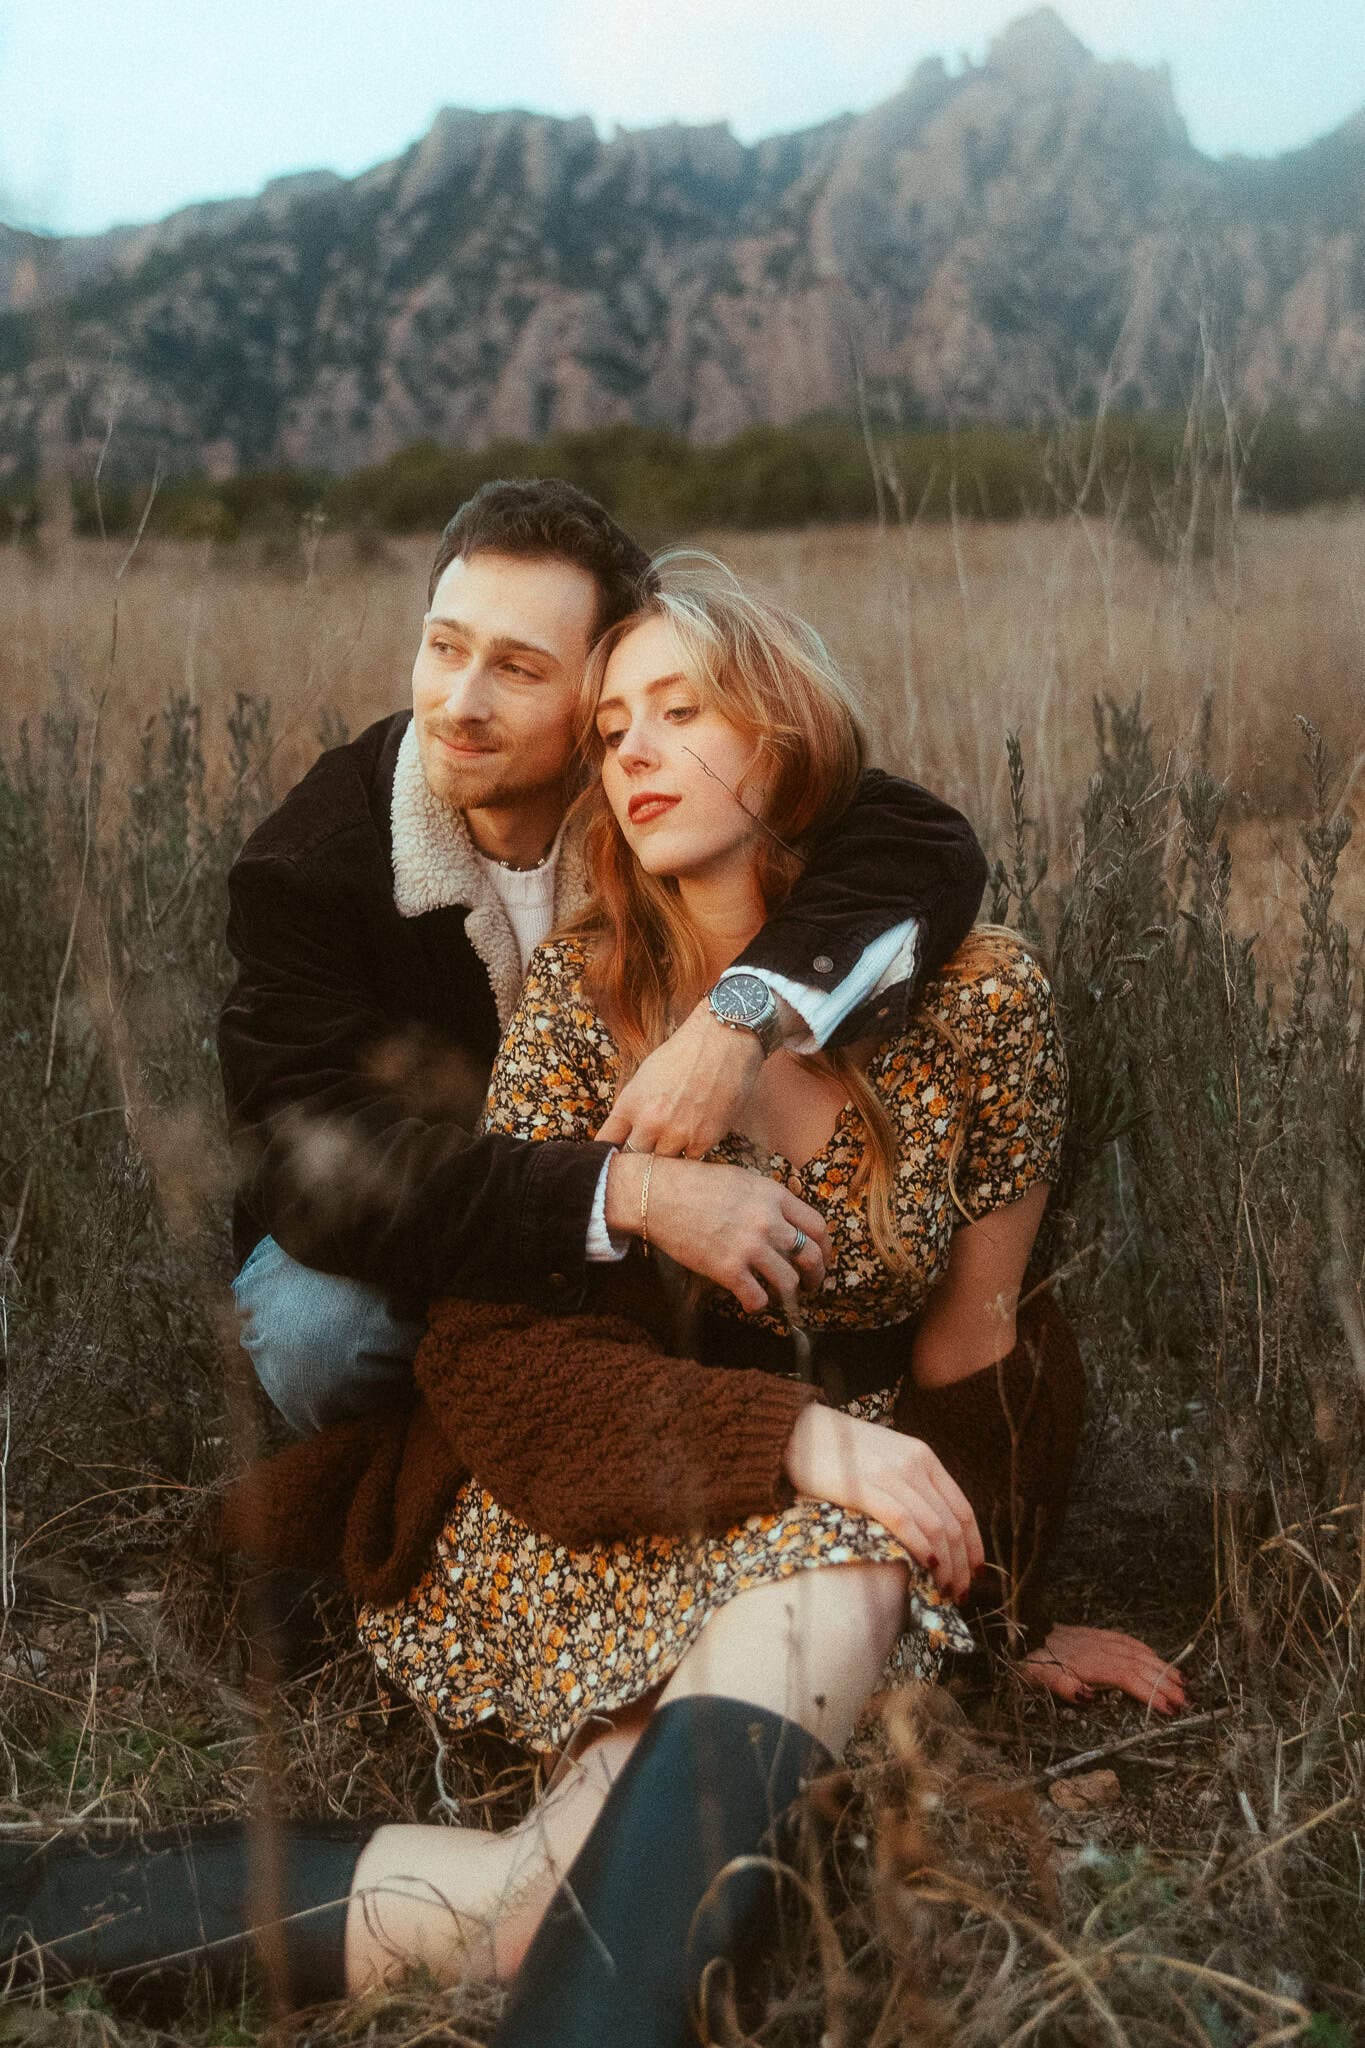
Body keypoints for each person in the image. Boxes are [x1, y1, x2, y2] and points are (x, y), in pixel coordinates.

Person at [2, 559, 1182, 2037]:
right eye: (613, 723)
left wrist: (1006, 1610)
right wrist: (801, 1439)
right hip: (592, 1489)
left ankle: (40, 1905)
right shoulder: (576, 995)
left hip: (853, 1480)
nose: (629, 749)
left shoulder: (981, 997)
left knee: (525, 1900)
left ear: (785, 741)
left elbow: (982, 1335)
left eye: (680, 711)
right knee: (839, 1560)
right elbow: (494, 1362)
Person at [219, 479, 992, 1438]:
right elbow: (320, 1170)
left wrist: (735, 1019)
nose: (458, 704)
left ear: (602, 681)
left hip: (643, 1254)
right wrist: (633, 1193)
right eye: (444, 646)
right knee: (318, 1329)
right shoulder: (312, 864)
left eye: (518, 669)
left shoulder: (656, 776)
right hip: (415, 1225)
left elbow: (919, 841)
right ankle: (391, 1505)